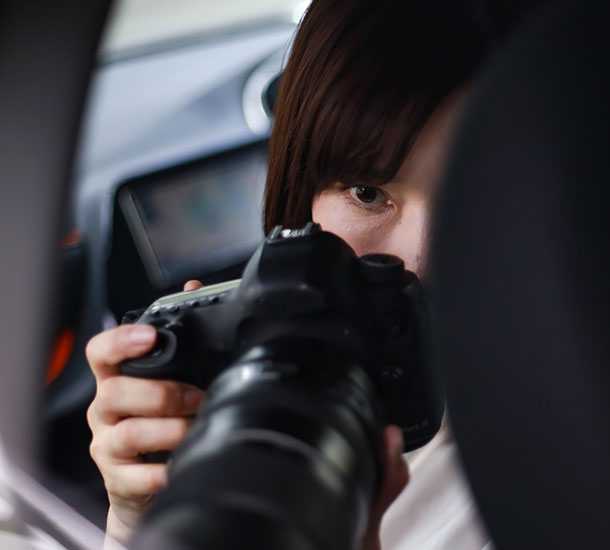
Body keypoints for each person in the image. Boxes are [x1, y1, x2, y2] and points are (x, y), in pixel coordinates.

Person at [85, 1, 536, 547]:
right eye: (367, 193)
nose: (417, 262)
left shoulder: (584, 452)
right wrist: (144, 516)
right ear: (301, 182)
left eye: (475, 197)